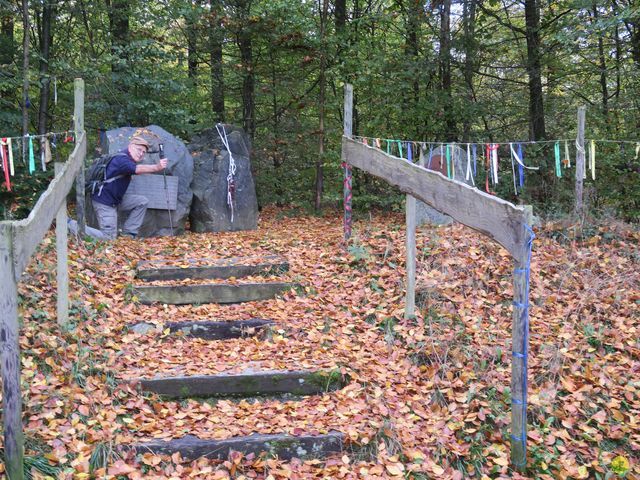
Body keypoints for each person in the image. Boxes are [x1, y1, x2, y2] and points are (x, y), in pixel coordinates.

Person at [69, 136, 168, 240]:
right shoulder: (121, 159)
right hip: (104, 202)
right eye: (139, 150)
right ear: (130, 146)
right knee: (109, 237)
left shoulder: (127, 158)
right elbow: (136, 169)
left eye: (144, 152)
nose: (141, 153)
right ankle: (70, 224)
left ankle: (129, 234)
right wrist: (157, 167)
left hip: (116, 200)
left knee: (141, 202)